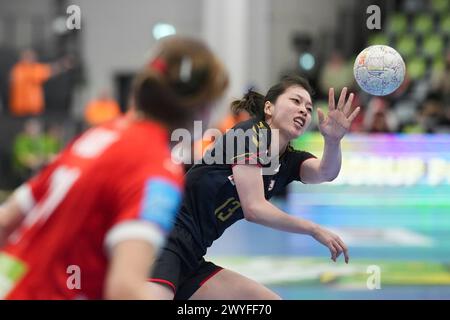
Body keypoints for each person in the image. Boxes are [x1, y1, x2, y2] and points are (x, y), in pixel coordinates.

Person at [0, 36, 228, 300]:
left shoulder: (99, 135)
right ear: (202, 108)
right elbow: (126, 291)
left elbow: (6, 220)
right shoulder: (157, 171)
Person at [148, 75, 360, 300]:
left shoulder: (287, 160)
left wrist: (334, 141)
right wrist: (313, 229)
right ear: (269, 107)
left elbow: (325, 172)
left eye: (308, 108)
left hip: (193, 254)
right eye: (296, 101)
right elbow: (254, 208)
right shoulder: (248, 134)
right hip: (164, 238)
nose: (303, 111)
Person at [9, 49, 72, 116]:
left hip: (32, 110)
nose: (31, 58)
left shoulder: (21, 69)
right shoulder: (19, 69)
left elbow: (49, 70)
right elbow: (49, 70)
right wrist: (63, 64)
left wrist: (62, 65)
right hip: (19, 111)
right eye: (28, 56)